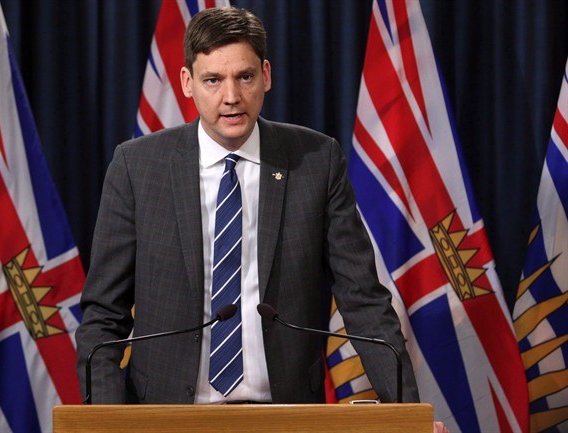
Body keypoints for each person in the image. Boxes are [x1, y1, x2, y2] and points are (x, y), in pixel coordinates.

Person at [75, 6, 419, 407]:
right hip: (166, 413)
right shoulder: (138, 167)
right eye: (212, 80)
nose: (231, 97)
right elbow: (104, 316)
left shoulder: (315, 161)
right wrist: (105, 419)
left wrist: (408, 414)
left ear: (266, 76)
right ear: (187, 83)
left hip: (285, 413)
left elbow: (363, 301)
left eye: (244, 77)